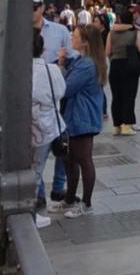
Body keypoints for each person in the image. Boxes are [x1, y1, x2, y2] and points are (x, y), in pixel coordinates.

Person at [58, 24, 106, 217]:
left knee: (83, 159)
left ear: (85, 42)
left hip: (81, 117)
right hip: (78, 116)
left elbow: (66, 88)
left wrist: (60, 68)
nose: (72, 38)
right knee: (70, 159)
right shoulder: (84, 60)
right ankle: (70, 198)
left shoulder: (86, 65)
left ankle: (86, 203)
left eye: (75, 36)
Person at [32, 29, 65, 226]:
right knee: (36, 169)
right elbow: (60, 91)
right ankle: (30, 211)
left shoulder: (14, 69)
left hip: (22, 125)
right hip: (45, 127)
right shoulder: (51, 70)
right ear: (42, 49)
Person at [106, 7, 140, 135]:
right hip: (129, 65)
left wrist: (113, 57)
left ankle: (116, 126)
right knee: (129, 96)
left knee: (116, 96)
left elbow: (107, 51)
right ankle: (127, 126)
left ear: (120, 19)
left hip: (115, 66)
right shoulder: (135, 32)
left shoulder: (111, 33)